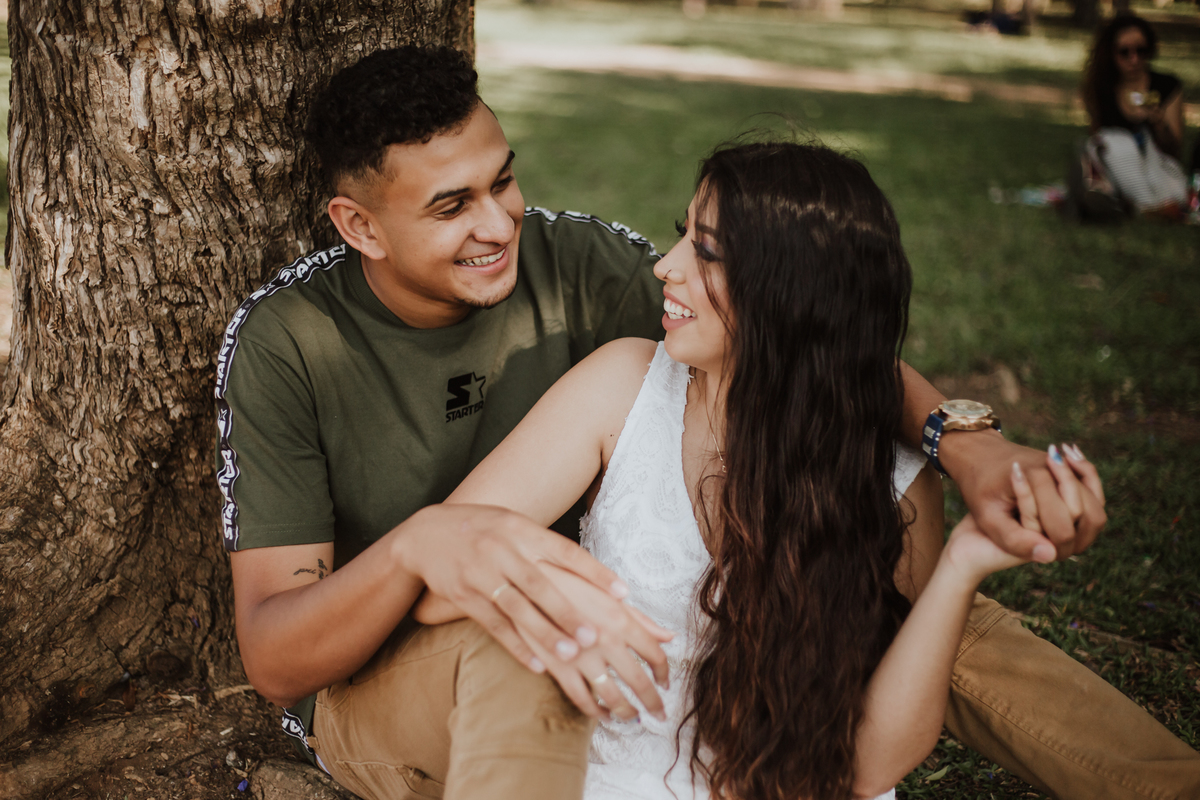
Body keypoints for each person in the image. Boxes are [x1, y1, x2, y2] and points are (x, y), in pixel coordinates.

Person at [216, 45, 1195, 800]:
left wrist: (963, 444)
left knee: (893, 590)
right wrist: (426, 546)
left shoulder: (584, 266)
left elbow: (802, 333)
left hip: (630, 605)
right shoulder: (294, 342)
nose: (502, 222)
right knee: (526, 644)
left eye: (505, 180)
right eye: (452, 205)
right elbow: (276, 649)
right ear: (361, 226)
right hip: (453, 633)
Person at [412, 139, 1063, 800]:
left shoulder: (891, 479)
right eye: (681, 236)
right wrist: (548, 605)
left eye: (709, 252)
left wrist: (962, 565)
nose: (666, 267)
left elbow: (866, 765)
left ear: (792, 292)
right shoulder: (621, 387)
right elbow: (436, 577)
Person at [1082, 14, 1189, 216]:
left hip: (1157, 169)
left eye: (1141, 51)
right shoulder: (1103, 89)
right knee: (1113, 143)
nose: (1134, 59)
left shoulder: (1167, 86)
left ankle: (1137, 207)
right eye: (1125, 52)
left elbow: (1174, 151)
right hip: (1119, 167)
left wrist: (1159, 125)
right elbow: (1097, 140)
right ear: (1111, 54)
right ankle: (1142, 206)